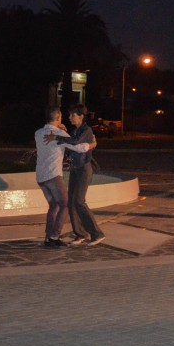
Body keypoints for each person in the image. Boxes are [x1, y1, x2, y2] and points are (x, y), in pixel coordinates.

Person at [33, 106, 88, 249]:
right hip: (53, 175)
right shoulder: (60, 134)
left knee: (54, 205)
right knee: (65, 204)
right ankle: (54, 236)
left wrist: (62, 130)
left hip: (41, 176)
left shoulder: (38, 133)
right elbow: (78, 147)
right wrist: (92, 143)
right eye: (61, 117)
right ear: (58, 118)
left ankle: (48, 237)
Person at [64, 104, 106, 246]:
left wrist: (59, 138)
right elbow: (73, 145)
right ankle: (80, 233)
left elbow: (76, 143)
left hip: (84, 169)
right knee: (71, 201)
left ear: (81, 116)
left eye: (72, 115)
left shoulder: (86, 130)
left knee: (79, 201)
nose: (69, 117)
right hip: (75, 169)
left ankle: (97, 233)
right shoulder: (76, 130)